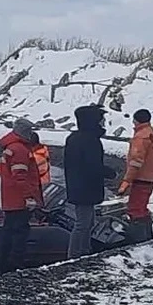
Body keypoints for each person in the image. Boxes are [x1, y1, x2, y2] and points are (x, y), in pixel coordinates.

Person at [65, 104, 117, 258]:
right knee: (82, 224)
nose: (103, 123)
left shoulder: (75, 138)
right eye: (101, 119)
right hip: (85, 187)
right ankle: (74, 255)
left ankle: (84, 252)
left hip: (79, 186)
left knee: (88, 223)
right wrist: (109, 172)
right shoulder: (89, 140)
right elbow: (91, 165)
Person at [0, 119, 43, 272]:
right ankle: (14, 266)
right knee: (19, 233)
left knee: (8, 231)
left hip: (9, 198)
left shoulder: (10, 148)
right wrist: (29, 197)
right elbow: (20, 176)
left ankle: (3, 265)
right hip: (19, 200)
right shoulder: (20, 150)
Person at [118, 109, 153, 243]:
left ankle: (139, 241)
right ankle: (148, 238)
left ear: (135, 120)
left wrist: (126, 181)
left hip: (140, 178)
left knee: (135, 209)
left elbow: (135, 162)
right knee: (142, 208)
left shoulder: (140, 137)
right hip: (150, 178)